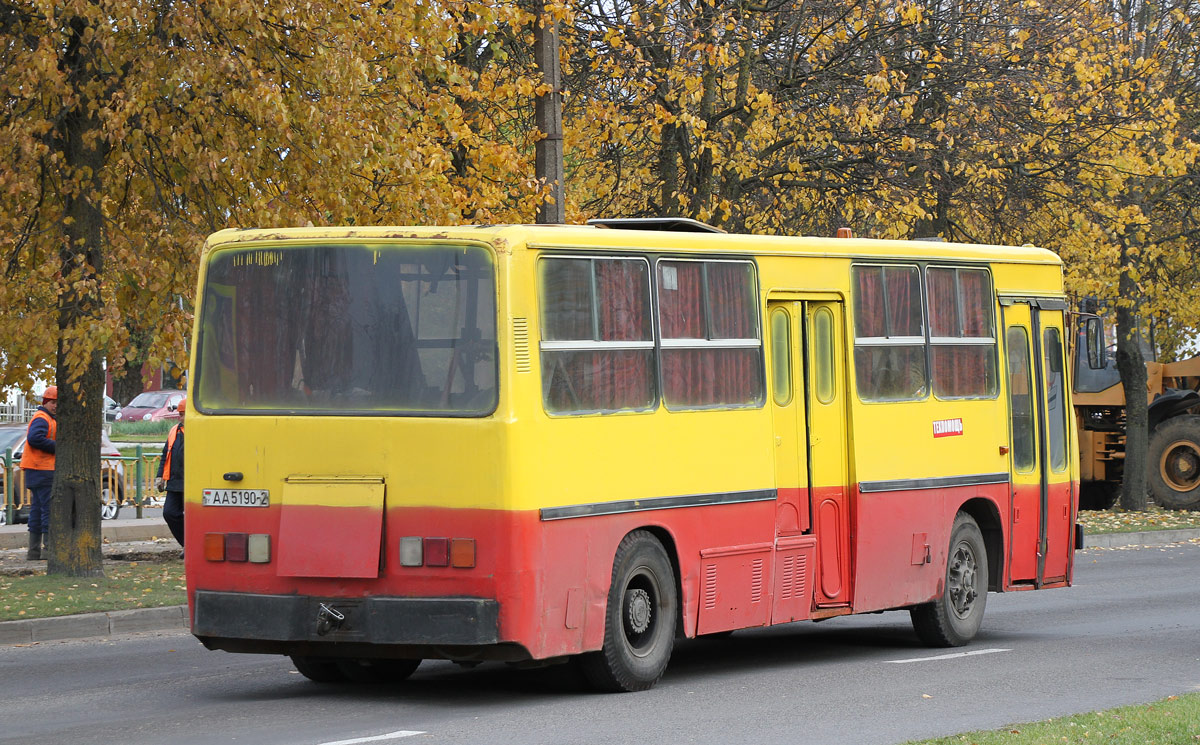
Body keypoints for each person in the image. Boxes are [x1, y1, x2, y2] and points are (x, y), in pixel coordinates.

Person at [20, 386, 57, 561]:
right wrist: (58, 447)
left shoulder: (45, 417)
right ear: (45, 402)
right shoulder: (43, 419)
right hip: (43, 470)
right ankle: (48, 551)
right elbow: (34, 438)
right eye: (53, 402)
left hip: (34, 470)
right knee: (48, 511)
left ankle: (33, 552)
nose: (56, 405)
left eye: (58, 402)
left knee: (36, 511)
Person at [155, 398, 185, 547]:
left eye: (185, 413)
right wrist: (160, 476)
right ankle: (187, 544)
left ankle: (192, 547)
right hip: (174, 482)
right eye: (180, 414)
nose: (182, 417)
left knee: (193, 518)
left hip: (193, 483)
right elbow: (166, 454)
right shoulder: (174, 430)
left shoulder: (201, 431)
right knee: (169, 513)